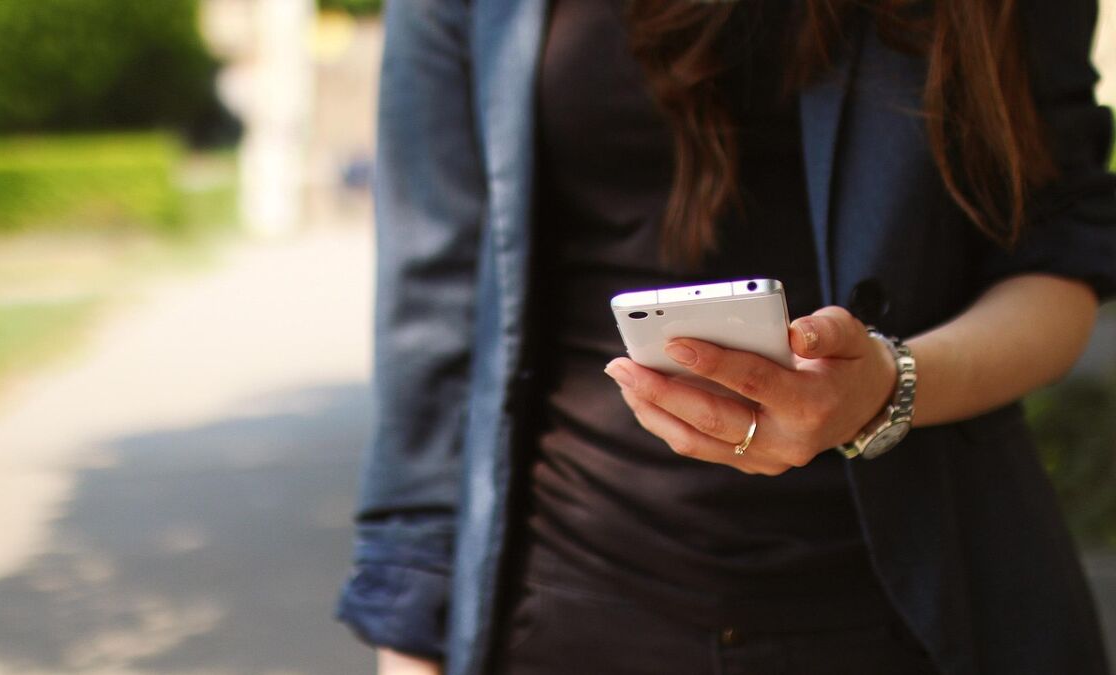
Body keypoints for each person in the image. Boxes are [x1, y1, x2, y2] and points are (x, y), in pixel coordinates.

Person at [337, 0, 1116, 673]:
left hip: (926, 606)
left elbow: (1061, 255)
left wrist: (888, 386)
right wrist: (409, 639)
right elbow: (434, 316)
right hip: (564, 605)